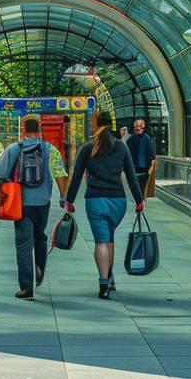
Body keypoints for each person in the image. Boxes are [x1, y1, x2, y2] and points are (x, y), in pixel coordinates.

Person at [61, 111, 144, 298]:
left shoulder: (87, 148)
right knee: (109, 238)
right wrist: (140, 200)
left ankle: (104, 283)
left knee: (101, 241)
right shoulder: (121, 147)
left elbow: (76, 176)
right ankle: (110, 277)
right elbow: (131, 176)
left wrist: (69, 200)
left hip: (95, 200)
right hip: (118, 201)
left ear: (95, 124)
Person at [0, 115, 68, 299]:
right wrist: (63, 196)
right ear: (39, 130)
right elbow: (60, 173)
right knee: (40, 237)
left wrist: (0, 193)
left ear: (24, 130)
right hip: (42, 203)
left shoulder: (14, 148)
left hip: (21, 204)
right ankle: (39, 269)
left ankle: (26, 287)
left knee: (23, 244)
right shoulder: (50, 149)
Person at [126, 118, 156, 195]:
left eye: (140, 126)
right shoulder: (131, 139)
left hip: (140, 170)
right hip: (137, 170)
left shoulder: (145, 139)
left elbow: (150, 155)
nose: (138, 128)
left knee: (139, 191)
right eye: (136, 126)